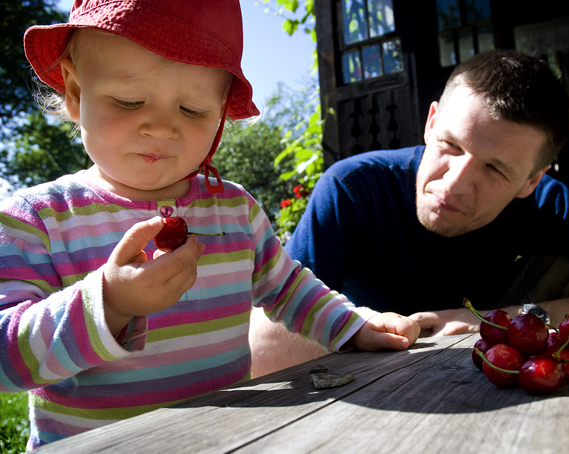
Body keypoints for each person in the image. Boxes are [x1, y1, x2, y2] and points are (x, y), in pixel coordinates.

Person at [0, 0, 419, 449]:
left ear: (221, 111)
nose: (161, 128)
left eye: (194, 110)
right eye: (129, 101)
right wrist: (109, 304)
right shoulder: (39, 218)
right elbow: (6, 361)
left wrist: (351, 325)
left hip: (228, 442)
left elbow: (289, 287)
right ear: (76, 92)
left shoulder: (234, 212)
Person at [250, 49, 569, 374]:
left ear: (530, 180)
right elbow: (265, 338)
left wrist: (513, 320)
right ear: (431, 121)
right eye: (450, 146)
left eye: (494, 169)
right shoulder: (353, 187)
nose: (453, 184)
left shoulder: (544, 199)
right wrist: (365, 327)